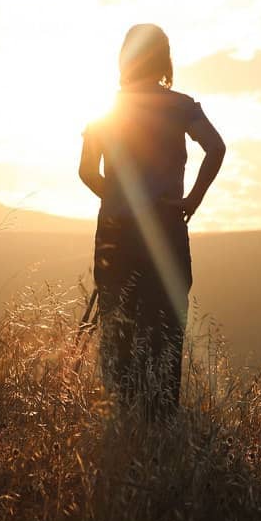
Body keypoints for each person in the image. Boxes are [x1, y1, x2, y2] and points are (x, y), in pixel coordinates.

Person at [79, 23, 225, 421]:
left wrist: (121, 198)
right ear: (164, 59)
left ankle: (121, 422)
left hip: (116, 233)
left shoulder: (105, 111)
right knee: (165, 330)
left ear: (124, 60)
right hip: (166, 228)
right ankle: (160, 423)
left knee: (117, 326)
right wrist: (191, 200)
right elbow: (216, 147)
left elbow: (87, 171)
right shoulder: (181, 107)